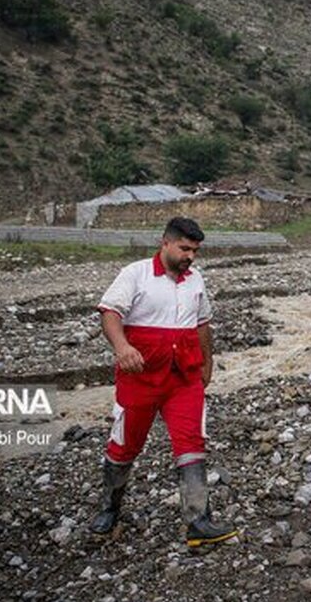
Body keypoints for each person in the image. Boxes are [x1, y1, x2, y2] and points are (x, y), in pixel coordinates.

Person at [88, 217, 238, 546]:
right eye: (185, 249)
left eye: (195, 251)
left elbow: (202, 324)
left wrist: (207, 362)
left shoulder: (195, 279)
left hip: (184, 378)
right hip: (139, 379)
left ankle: (198, 520)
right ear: (165, 243)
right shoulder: (135, 274)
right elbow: (110, 313)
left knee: (192, 444)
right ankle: (109, 508)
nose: (190, 257)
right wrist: (123, 347)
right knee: (124, 446)